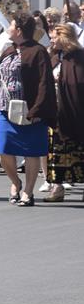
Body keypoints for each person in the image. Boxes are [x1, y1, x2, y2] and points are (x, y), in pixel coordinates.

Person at [0, 12, 56, 206]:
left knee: (31, 152)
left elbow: (44, 83)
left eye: (11, 25)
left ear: (19, 30)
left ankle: (28, 192)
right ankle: (15, 182)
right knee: (3, 150)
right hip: (6, 109)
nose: (8, 28)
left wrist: (37, 110)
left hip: (31, 111)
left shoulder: (38, 51)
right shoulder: (9, 51)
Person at [46, 24, 84, 201]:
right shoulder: (54, 56)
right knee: (56, 152)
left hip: (75, 111)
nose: (52, 40)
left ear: (64, 37)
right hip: (57, 112)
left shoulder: (78, 58)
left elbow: (77, 84)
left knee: (79, 150)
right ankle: (57, 188)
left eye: (54, 37)